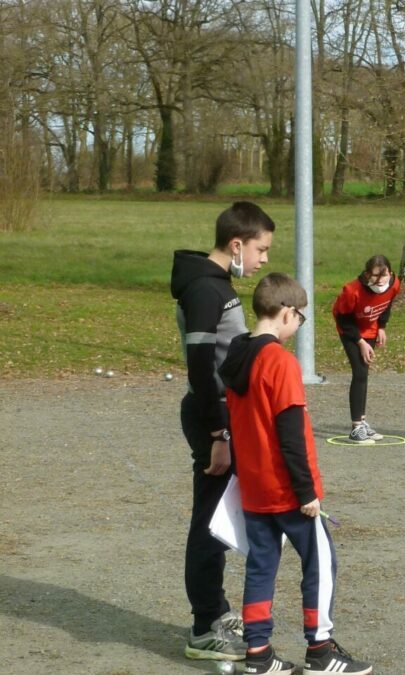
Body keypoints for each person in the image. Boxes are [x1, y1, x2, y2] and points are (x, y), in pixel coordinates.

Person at [220, 273, 372, 675]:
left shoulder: (236, 356)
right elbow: (290, 434)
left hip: (253, 489)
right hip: (288, 490)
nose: (299, 325)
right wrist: (307, 493)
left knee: (261, 567)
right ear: (287, 312)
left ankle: (257, 655)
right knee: (321, 562)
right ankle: (320, 651)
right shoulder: (280, 362)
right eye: (300, 318)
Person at [171, 201, 275, 661]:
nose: (264, 259)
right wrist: (218, 434)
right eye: (261, 249)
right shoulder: (205, 290)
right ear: (237, 244)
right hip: (211, 420)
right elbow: (199, 365)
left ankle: (216, 607)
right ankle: (202, 629)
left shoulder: (215, 284)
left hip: (223, 417)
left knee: (219, 518)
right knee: (209, 525)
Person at [332, 255, 401, 443]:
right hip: (351, 330)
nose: (380, 281)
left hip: (370, 329)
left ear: (390, 272)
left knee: (364, 373)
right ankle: (356, 428)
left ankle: (362, 422)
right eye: (375, 276)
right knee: (360, 372)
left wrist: (382, 327)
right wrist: (359, 341)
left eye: (383, 275)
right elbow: (342, 317)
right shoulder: (352, 291)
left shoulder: (394, 284)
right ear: (367, 274)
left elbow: (387, 305)